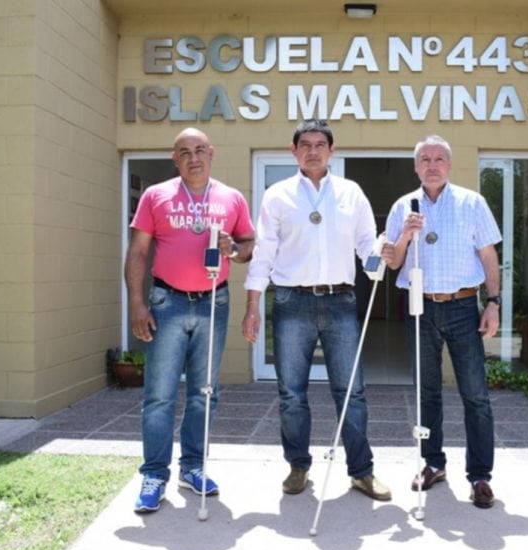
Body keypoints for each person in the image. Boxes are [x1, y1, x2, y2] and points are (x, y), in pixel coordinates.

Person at [242, 119, 391, 501]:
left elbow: (365, 248)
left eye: (320, 144)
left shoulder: (350, 193)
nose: (312, 150)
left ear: (332, 149)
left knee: (352, 392)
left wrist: (383, 251)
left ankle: (361, 472)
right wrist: (253, 305)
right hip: (292, 302)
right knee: (292, 392)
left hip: (341, 301)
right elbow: (264, 254)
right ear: (293, 152)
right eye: (305, 144)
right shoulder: (277, 195)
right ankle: (298, 467)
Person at [125, 127, 255, 513]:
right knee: (160, 394)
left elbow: (249, 244)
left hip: (215, 301)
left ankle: (193, 467)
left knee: (204, 393)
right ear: (174, 158)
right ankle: (154, 474)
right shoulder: (156, 195)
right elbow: (137, 252)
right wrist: (136, 304)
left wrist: (236, 251)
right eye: (184, 152)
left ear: (211, 153)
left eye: (199, 150)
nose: (193, 157)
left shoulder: (231, 197)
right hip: (168, 301)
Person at [383, 134, 501, 508]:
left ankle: (480, 475)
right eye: (424, 159)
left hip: (464, 307)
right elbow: (392, 262)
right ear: (416, 167)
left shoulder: (472, 202)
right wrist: (405, 234)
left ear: (449, 166)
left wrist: (494, 303)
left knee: (475, 395)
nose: (432, 165)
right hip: (420, 306)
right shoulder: (404, 206)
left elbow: (488, 257)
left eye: (439, 159)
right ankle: (433, 464)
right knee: (426, 393)